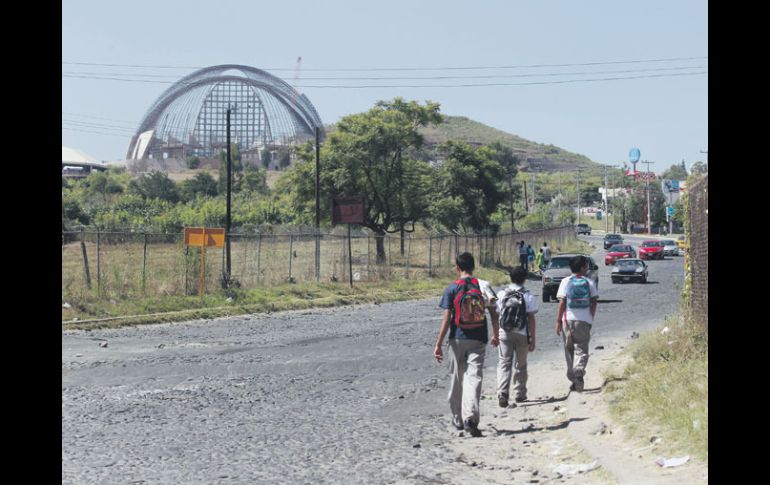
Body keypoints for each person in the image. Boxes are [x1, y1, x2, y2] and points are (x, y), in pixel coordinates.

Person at [434, 252, 499, 437]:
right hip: (478, 338)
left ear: (458, 267)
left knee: (457, 378)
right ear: (473, 266)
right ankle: (470, 415)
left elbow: (447, 318)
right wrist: (495, 334)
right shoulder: (483, 285)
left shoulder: (451, 288)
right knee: (474, 377)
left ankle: (458, 418)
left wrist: (438, 344)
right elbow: (494, 312)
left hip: (456, 339)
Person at [555, 255, 599, 393]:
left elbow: (562, 302)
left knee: (568, 350)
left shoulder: (565, 281)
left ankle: (574, 379)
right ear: (582, 268)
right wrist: (590, 317)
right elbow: (594, 302)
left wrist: (558, 321)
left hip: (567, 320)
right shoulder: (589, 282)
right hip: (584, 320)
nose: (587, 268)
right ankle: (579, 369)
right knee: (581, 349)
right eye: (586, 265)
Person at [496, 266, 538, 406]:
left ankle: (503, 393)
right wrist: (532, 338)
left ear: (510, 277)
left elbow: (498, 315)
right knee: (521, 364)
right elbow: (531, 318)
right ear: (524, 279)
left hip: (504, 333)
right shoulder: (528, 295)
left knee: (504, 363)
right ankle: (520, 393)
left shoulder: (502, 294)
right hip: (522, 333)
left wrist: (495, 334)